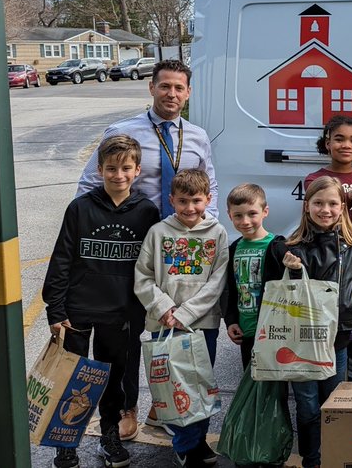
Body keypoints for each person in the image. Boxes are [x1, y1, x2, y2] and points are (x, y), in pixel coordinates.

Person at [78, 59, 218, 436]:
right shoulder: (124, 131)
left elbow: (211, 188)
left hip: (180, 249)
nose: (171, 94)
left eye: (179, 88)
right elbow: (89, 184)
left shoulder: (199, 136)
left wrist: (208, 231)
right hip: (132, 245)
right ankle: (127, 408)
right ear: (151, 88)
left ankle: (163, 403)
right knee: (127, 333)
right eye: (165, 86)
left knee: (171, 326)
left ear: (188, 93)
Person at [42, 135, 161, 468]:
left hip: (120, 312)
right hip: (77, 310)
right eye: (111, 168)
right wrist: (55, 308)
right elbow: (62, 259)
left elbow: (150, 267)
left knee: (113, 380)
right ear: (100, 169)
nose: (118, 175)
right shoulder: (80, 208)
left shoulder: (147, 212)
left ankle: (110, 435)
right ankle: (65, 443)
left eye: (125, 168)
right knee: (73, 379)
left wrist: (141, 313)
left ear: (137, 170)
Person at [267, 175, 352, 468]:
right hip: (301, 340)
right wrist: (289, 265)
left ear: (343, 207)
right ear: (307, 207)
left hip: (337, 337)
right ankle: (312, 459)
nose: (326, 209)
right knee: (307, 405)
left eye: (333, 203)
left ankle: (333, 456)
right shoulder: (293, 245)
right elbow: (282, 288)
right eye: (318, 203)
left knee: (333, 402)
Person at [133, 168, 229, 468]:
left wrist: (185, 313)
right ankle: (187, 444)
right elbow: (143, 276)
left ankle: (195, 442)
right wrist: (164, 308)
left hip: (202, 325)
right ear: (172, 200)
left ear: (208, 199)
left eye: (197, 201)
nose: (190, 208)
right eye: (183, 201)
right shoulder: (158, 233)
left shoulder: (218, 233)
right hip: (165, 324)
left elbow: (217, 281)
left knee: (200, 385)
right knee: (174, 387)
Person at [223, 183, 286, 368]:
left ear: (265, 211)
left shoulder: (277, 247)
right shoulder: (233, 249)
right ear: (229, 216)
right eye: (238, 216)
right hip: (246, 331)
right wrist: (231, 321)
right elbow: (231, 289)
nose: (245, 221)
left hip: (273, 333)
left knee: (274, 391)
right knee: (250, 384)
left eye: (252, 214)